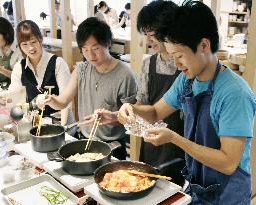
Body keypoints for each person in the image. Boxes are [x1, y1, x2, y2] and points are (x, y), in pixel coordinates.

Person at [117, 1, 256, 204]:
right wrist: (131, 108)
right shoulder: (187, 80)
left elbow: (228, 163)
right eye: (172, 56)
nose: (176, 63)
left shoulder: (235, 93)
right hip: (197, 185)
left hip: (228, 194)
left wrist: (174, 138)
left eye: (180, 55)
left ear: (203, 45)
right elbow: (156, 112)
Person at [37, 17, 137, 160]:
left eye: (95, 48)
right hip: (84, 139)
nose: (90, 55)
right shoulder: (81, 69)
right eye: (85, 49)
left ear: (108, 43)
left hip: (113, 145)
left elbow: (131, 118)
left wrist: (111, 117)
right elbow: (62, 101)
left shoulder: (125, 74)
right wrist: (49, 99)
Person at [135, 0, 185, 186]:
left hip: (180, 140)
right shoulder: (149, 63)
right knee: (149, 185)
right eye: (146, 34)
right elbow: (142, 102)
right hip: (152, 138)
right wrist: (128, 113)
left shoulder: (186, 65)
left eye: (152, 34)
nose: (148, 40)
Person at [7, 20, 72, 126]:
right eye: (25, 44)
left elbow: (67, 101)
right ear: (20, 46)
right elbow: (15, 100)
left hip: (60, 121)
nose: (31, 48)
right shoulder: (19, 67)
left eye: (33, 42)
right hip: (36, 123)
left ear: (40, 39)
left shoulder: (58, 63)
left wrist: (63, 128)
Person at [0, 17, 22, 89]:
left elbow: (23, 78)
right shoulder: (0, 47)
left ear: (6, 34)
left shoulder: (20, 50)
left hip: (17, 90)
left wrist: (1, 70)